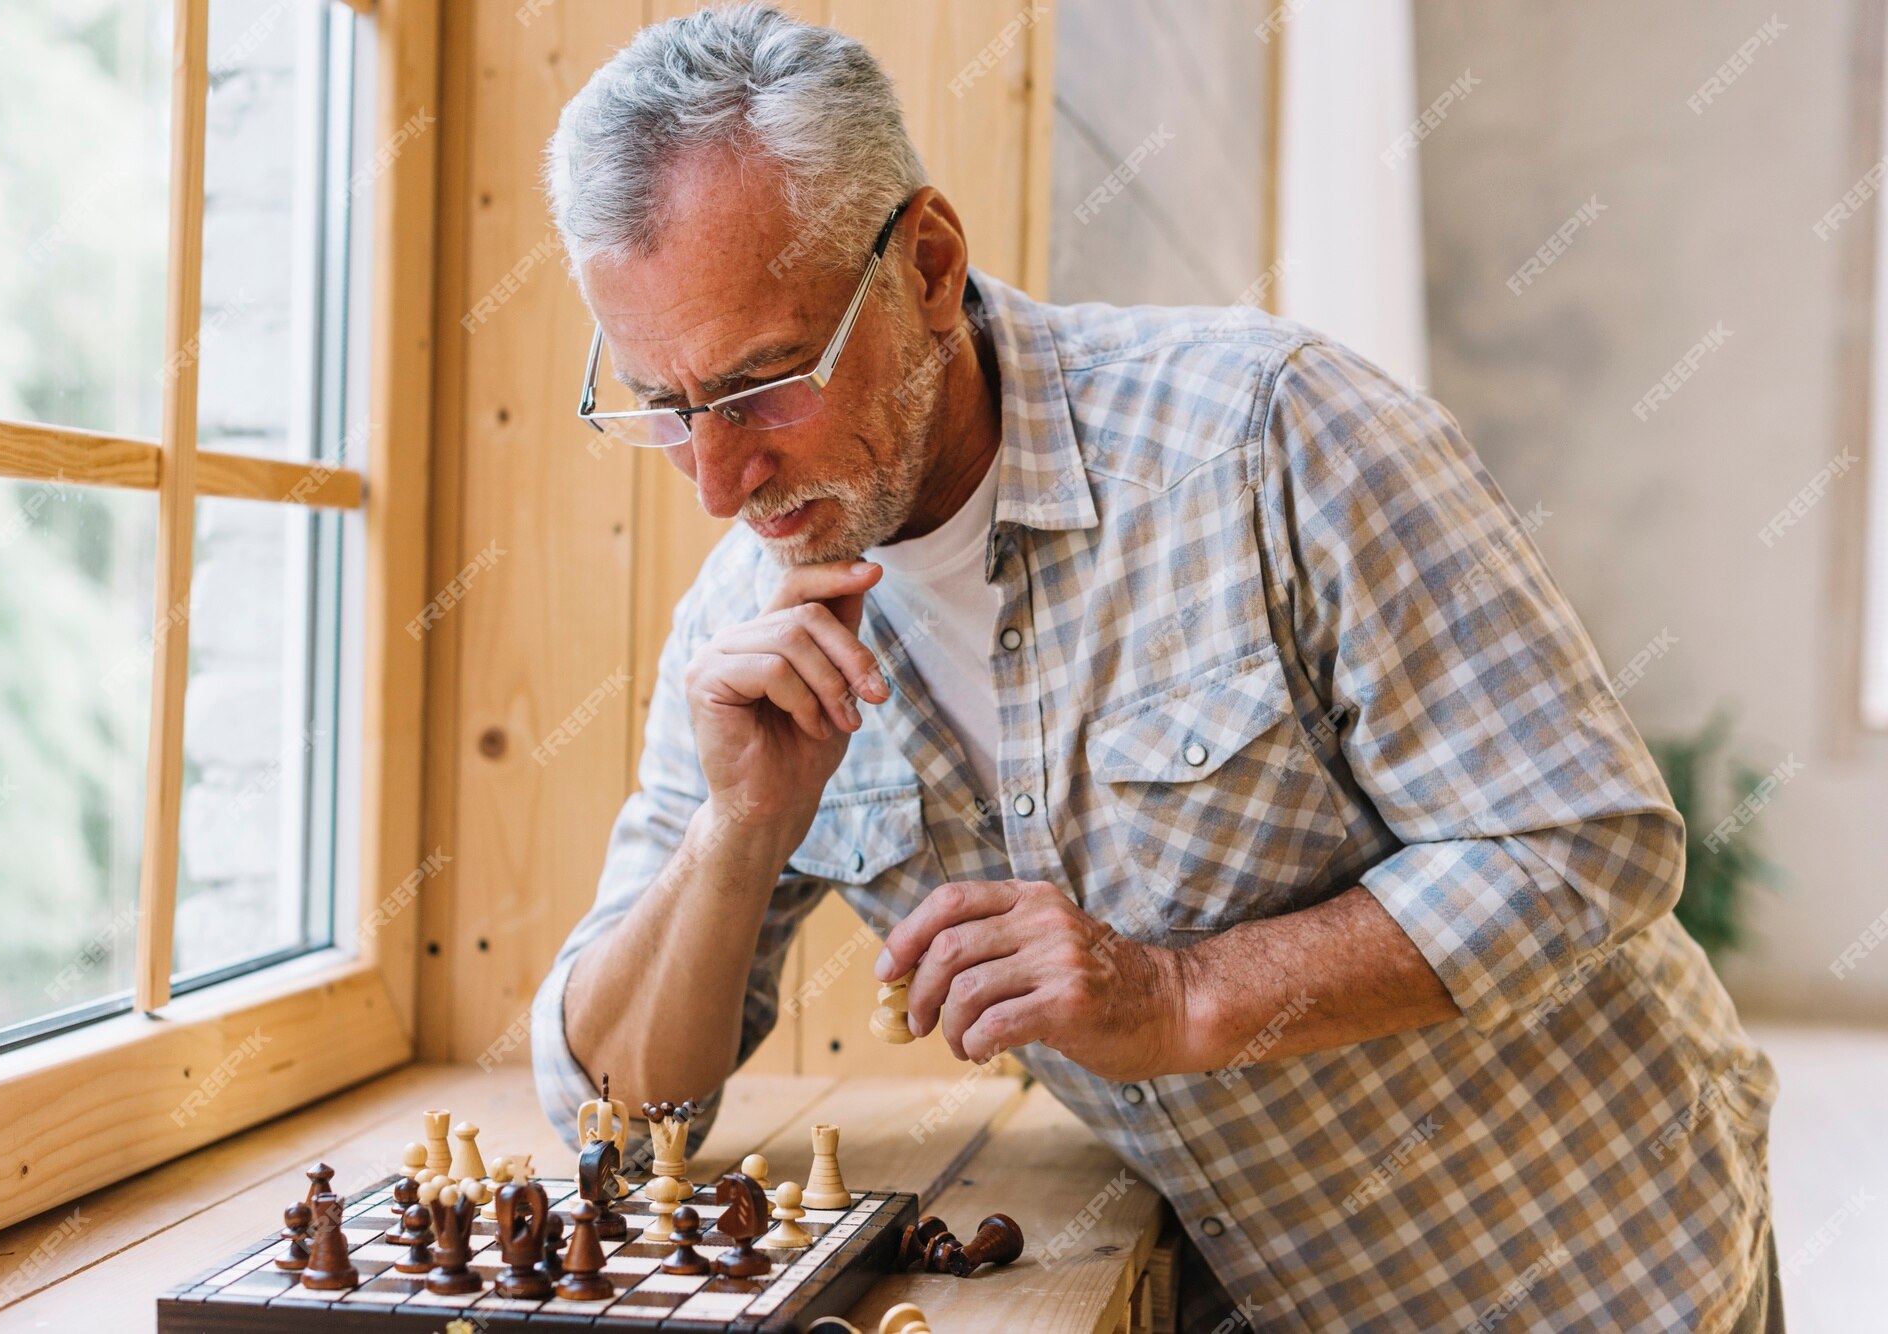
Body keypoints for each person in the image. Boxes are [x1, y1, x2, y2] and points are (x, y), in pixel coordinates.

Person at [527, 7, 1779, 1330]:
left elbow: (1587, 843)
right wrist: (739, 828)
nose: (718, 479)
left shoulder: (1270, 431)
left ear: (932, 266)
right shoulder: (743, 627)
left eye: (766, 382)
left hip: (1601, 1273)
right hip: (1284, 1295)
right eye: (664, 408)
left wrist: (1181, 993)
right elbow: (612, 1123)